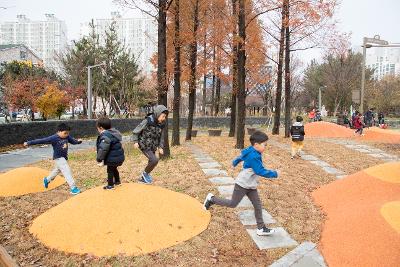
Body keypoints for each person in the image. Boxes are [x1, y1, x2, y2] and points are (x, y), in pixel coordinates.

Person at [203, 131, 278, 236]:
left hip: (251, 184)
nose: (266, 147)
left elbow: (242, 155)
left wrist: (235, 162)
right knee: (233, 204)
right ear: (256, 144)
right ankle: (211, 199)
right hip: (242, 184)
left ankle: (261, 228)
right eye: (264, 145)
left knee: (257, 205)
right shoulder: (254, 156)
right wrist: (275, 173)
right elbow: (260, 171)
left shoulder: (251, 150)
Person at [23, 123, 82, 195]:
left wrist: (78, 142)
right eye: (65, 133)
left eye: (68, 133)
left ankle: (47, 180)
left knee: (57, 170)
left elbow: (73, 141)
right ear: (58, 131)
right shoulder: (54, 138)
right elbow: (41, 140)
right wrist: (29, 143)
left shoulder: (67, 137)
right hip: (58, 158)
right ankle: (73, 188)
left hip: (64, 157)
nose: (66, 135)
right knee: (66, 170)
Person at [132, 105, 169, 184]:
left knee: (152, 161)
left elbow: (161, 137)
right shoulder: (148, 120)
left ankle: (143, 178)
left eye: (165, 117)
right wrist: (135, 142)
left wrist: (160, 147)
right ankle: (145, 174)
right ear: (158, 114)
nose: (164, 118)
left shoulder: (161, 124)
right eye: (163, 116)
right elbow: (136, 131)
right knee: (154, 160)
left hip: (153, 146)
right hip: (144, 145)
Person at [96, 117, 125, 190]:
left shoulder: (105, 135)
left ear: (101, 128)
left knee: (110, 170)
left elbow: (103, 149)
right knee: (114, 168)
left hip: (112, 158)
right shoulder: (113, 133)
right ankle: (117, 181)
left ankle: (110, 185)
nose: (98, 130)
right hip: (118, 157)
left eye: (97, 128)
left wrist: (99, 158)